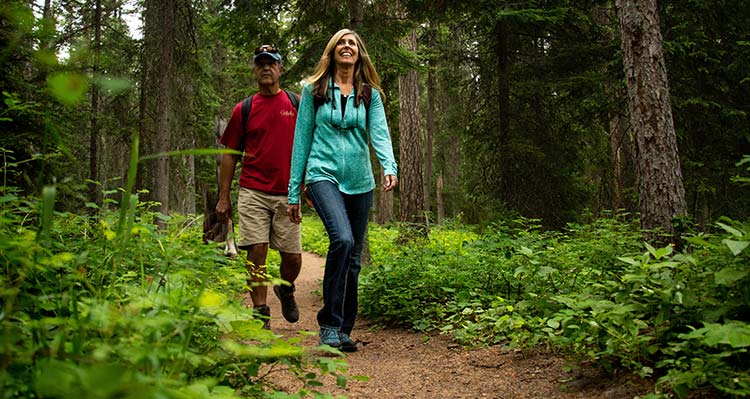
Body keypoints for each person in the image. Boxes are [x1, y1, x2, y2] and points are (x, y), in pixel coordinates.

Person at [286, 29, 398, 352]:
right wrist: (295, 191)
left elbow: (379, 132)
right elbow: (301, 140)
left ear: (359, 54)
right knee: (343, 239)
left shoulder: (369, 94)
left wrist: (389, 166)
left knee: (353, 260)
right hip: (323, 175)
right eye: (341, 43)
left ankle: (343, 328)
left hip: (360, 180)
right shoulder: (314, 91)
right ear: (332, 52)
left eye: (353, 43)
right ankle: (329, 323)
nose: (347, 47)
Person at [217, 45, 302, 330]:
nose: (266, 68)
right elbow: (230, 154)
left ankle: (286, 289)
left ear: (280, 69)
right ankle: (261, 312)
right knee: (257, 250)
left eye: (272, 63)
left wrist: (308, 184)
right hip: (253, 190)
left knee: (292, 257)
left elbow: (312, 145)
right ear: (255, 70)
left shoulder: (296, 104)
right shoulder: (244, 109)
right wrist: (223, 197)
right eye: (261, 64)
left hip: (288, 194)